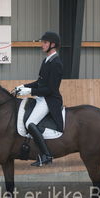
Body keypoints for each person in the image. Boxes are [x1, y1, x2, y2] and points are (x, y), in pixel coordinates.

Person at [14, 31, 64, 167]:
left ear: (52, 45)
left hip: (49, 100)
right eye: (42, 42)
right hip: (41, 98)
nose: (42, 45)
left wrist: (29, 91)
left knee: (30, 123)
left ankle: (46, 155)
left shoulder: (56, 63)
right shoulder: (47, 60)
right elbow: (39, 82)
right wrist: (23, 86)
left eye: (45, 42)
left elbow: (51, 89)